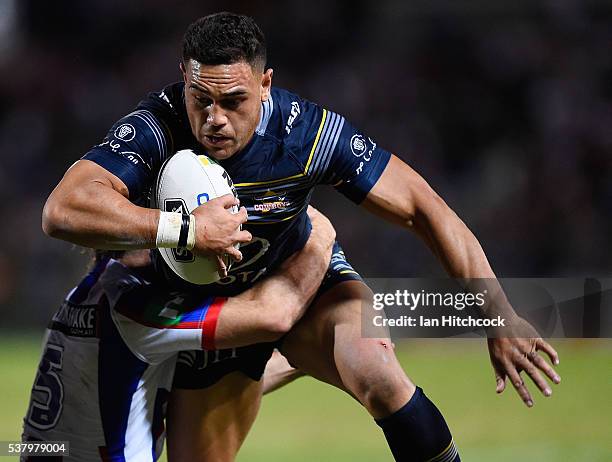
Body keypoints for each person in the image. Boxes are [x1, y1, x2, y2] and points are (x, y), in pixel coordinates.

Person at [39, 12, 561, 462]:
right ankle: (275, 361)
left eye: (235, 100)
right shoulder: (156, 125)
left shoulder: (306, 132)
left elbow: (423, 207)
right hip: (204, 310)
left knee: (377, 372)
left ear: (266, 85)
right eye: (201, 99)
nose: (214, 119)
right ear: (183, 79)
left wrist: (498, 313)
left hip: (303, 275)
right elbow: (63, 208)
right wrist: (185, 229)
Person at [22, 207, 335, 461]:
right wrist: (319, 231)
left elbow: (185, 395)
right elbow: (273, 314)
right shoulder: (136, 308)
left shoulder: (94, 286)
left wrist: (297, 363)